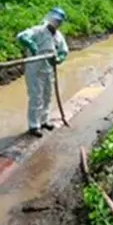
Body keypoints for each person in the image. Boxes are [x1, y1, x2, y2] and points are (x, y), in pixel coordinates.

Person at [16, 7, 69, 138]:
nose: (57, 23)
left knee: (47, 96)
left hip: (49, 70)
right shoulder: (38, 30)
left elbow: (64, 50)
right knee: (36, 97)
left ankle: (44, 121)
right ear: (50, 19)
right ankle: (34, 126)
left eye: (59, 22)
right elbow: (22, 36)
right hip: (35, 70)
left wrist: (59, 58)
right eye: (56, 20)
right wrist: (31, 44)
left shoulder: (58, 35)